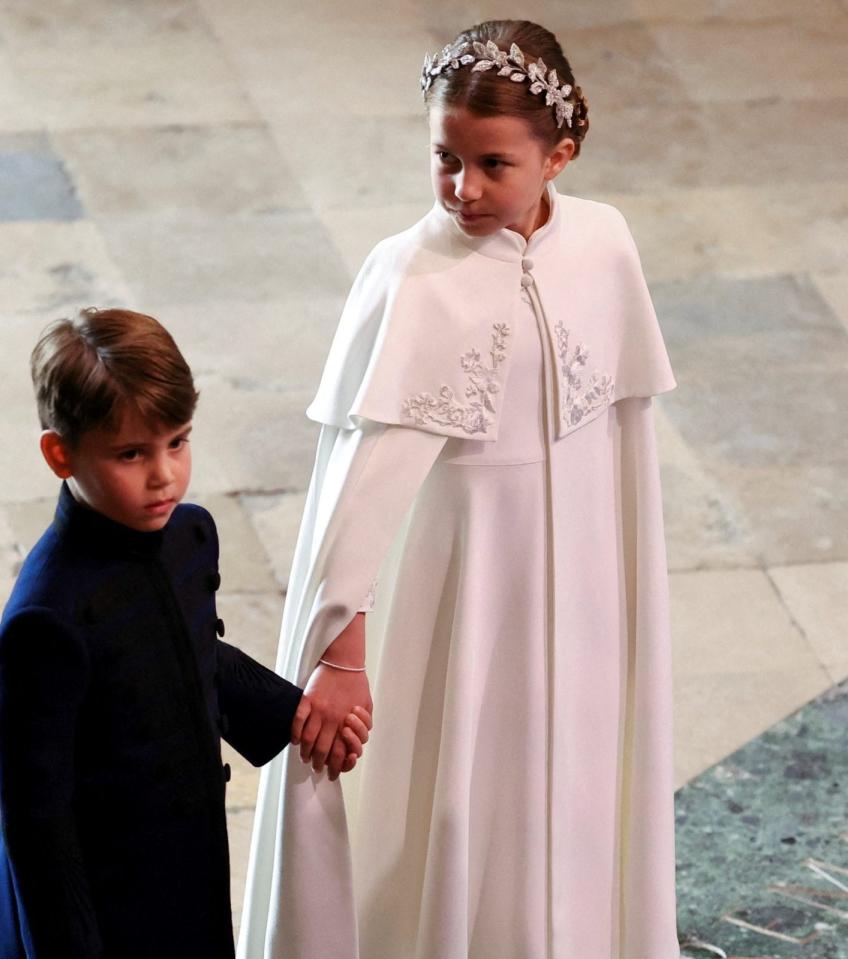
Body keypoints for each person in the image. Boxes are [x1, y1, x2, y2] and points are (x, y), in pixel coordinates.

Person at [239, 18, 679, 959]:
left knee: (571, 789)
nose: (463, 189)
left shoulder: (604, 244)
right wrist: (342, 652)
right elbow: (354, 495)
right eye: (444, 158)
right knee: (455, 799)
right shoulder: (413, 276)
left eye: (493, 164)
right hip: (462, 590)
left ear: (559, 155)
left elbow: (622, 434)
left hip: (581, 592)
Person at [0, 308, 370, 959]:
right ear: (59, 452)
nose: (164, 475)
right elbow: (38, 826)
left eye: (178, 441)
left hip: (185, 864)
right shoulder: (45, 620)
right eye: (132, 453)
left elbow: (190, 649)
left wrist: (290, 710)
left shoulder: (188, 535)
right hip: (101, 898)